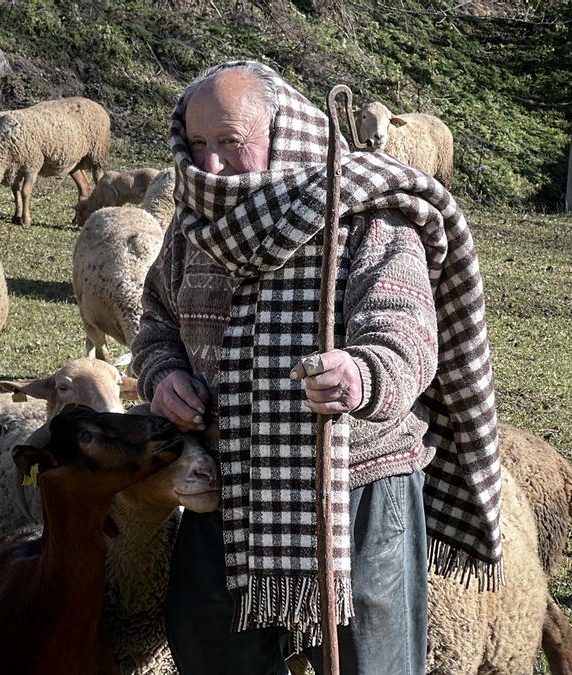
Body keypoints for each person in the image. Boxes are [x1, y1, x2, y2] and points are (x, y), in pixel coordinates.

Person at [130, 61, 504, 675]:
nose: (211, 165)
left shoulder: (364, 214)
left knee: (372, 666)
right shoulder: (195, 226)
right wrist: (163, 375)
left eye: (230, 142)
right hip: (228, 483)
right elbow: (157, 322)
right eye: (197, 144)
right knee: (215, 654)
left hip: (356, 484)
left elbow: (407, 328)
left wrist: (365, 373)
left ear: (281, 133)